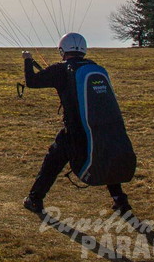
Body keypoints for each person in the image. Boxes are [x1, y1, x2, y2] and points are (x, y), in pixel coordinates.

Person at [21, 33, 131, 215]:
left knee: (52, 162)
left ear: (62, 50)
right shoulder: (94, 67)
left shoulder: (60, 69)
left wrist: (27, 60)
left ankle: (35, 199)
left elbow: (32, 82)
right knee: (101, 153)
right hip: (98, 126)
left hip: (73, 131)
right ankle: (120, 199)